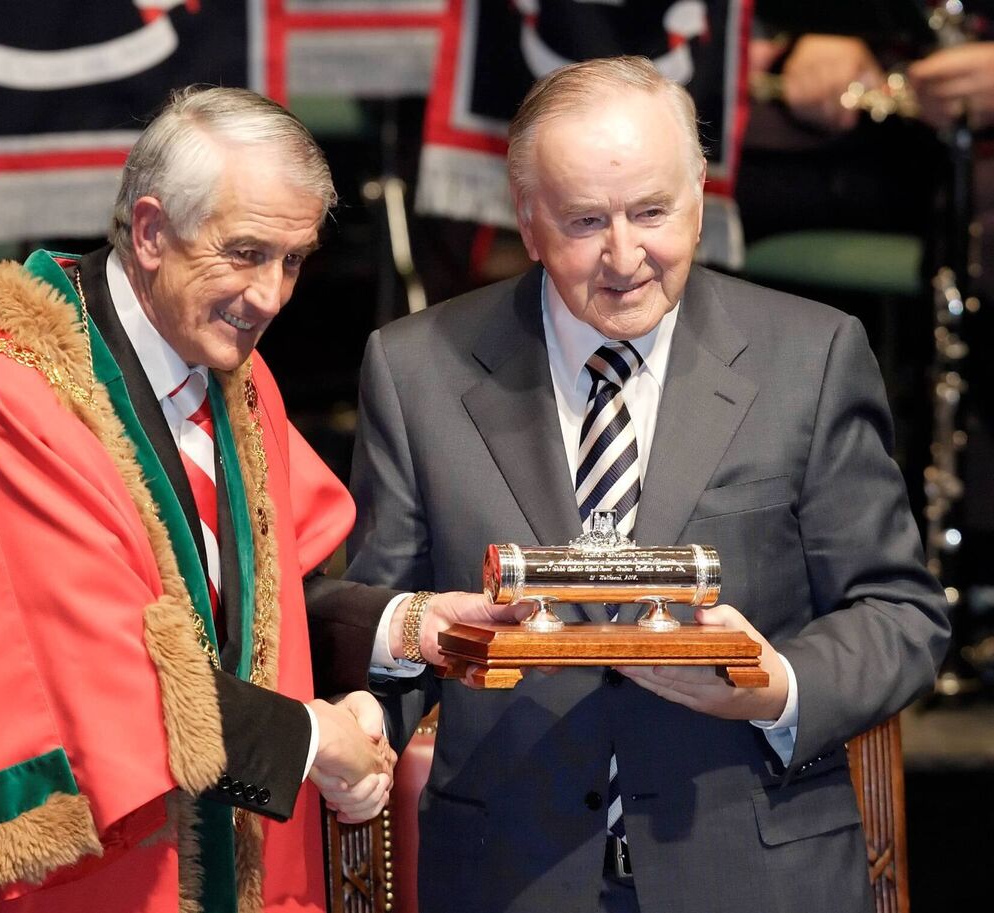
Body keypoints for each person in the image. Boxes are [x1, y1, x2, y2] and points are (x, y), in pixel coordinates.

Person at [343, 57, 950, 912]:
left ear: (701, 197)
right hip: (509, 877)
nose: (625, 255)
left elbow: (901, 612)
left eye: (652, 212)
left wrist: (774, 685)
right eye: (586, 219)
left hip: (758, 876)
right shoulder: (416, 371)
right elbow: (387, 619)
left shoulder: (810, 358)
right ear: (527, 215)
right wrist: (366, 718)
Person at [0, 87, 401, 913]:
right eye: (247, 252)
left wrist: (411, 627)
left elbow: (265, 609)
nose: (270, 296)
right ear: (150, 231)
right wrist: (309, 738)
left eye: (291, 261)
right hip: (77, 885)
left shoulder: (237, 376)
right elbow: (93, 682)